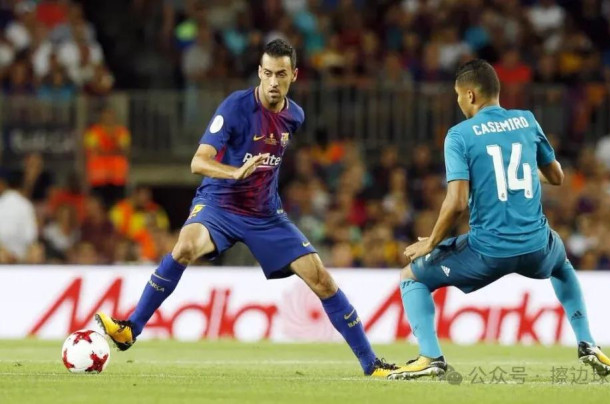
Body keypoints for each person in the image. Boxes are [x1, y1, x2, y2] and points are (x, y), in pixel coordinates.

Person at [96, 39, 396, 377]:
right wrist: (234, 172)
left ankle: (372, 365)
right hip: (219, 204)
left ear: (294, 75)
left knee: (322, 280)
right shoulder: (235, 107)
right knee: (185, 247)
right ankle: (130, 328)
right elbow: (198, 162)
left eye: (280, 74)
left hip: (265, 215)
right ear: (259, 72)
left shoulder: (295, 116)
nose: (273, 82)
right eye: (267, 73)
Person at [388, 59, 610, 380]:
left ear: (469, 95)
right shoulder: (526, 120)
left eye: (457, 95)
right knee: (562, 265)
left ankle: (430, 356)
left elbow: (456, 202)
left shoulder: (459, 135)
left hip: (488, 251)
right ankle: (587, 341)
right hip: (537, 247)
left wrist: (431, 243)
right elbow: (557, 176)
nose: (458, 101)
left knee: (412, 276)